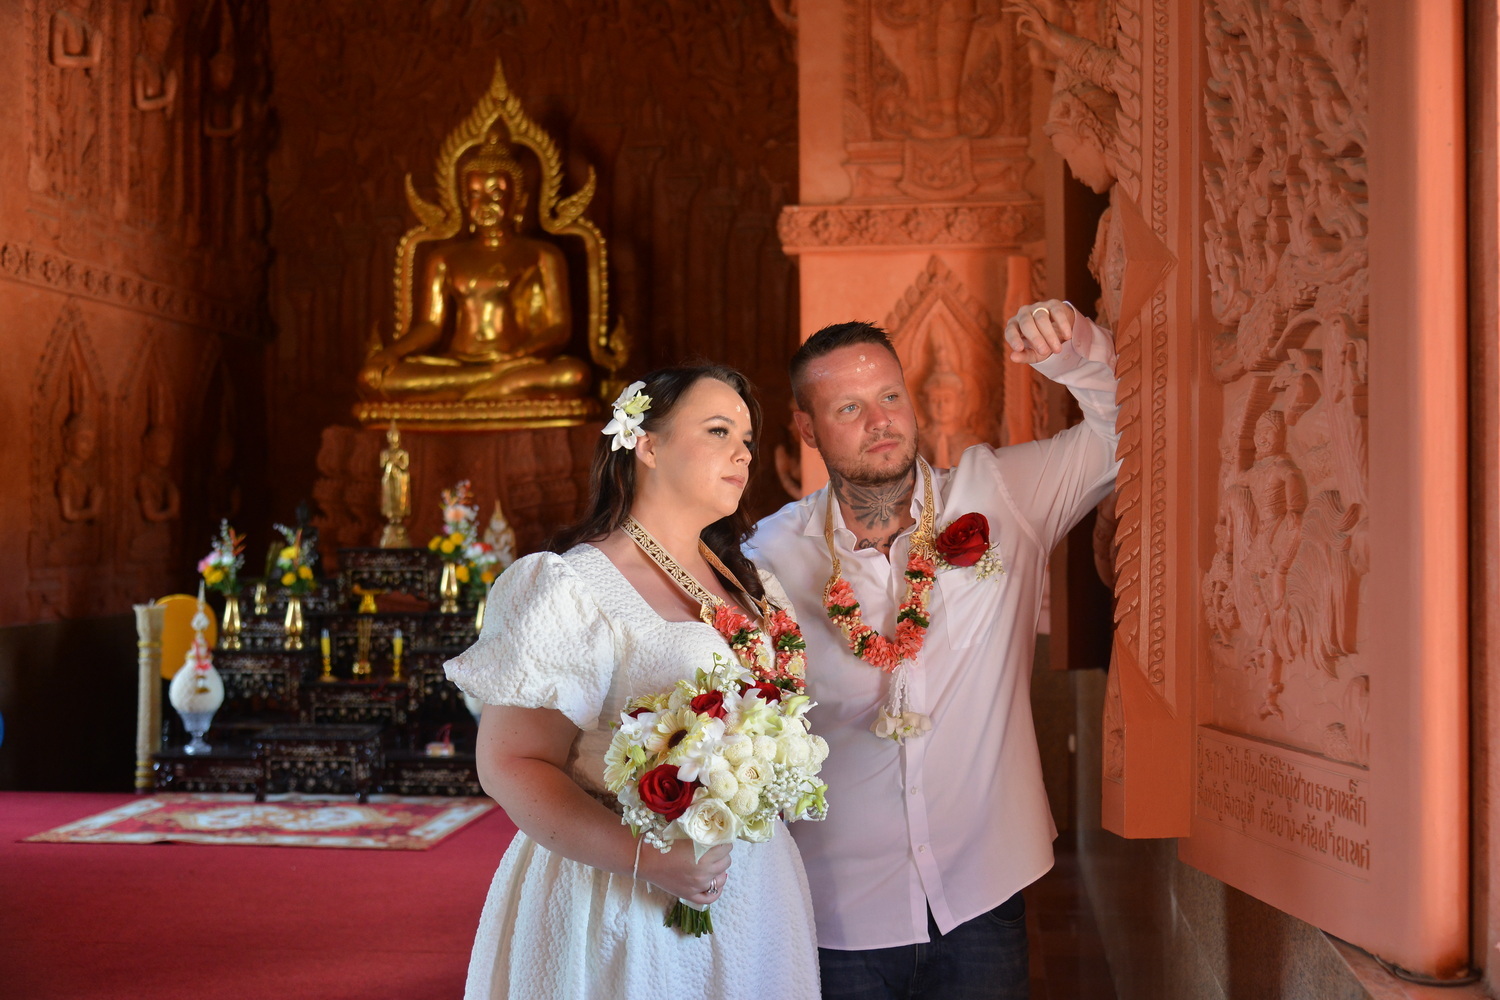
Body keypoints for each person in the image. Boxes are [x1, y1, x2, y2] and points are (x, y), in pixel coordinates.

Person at [747, 300, 1119, 999]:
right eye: (848, 407)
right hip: (836, 914)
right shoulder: (768, 557)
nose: (880, 420)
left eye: (890, 395)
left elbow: (1130, 432)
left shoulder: (1001, 496)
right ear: (806, 427)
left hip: (982, 894)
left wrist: (1071, 348)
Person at [445, 364, 820, 999]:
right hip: (622, 890)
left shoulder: (750, 586)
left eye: (748, 439)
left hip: (752, 887)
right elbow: (509, 761)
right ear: (647, 445)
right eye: (719, 430)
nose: (744, 453)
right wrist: (649, 858)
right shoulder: (571, 587)